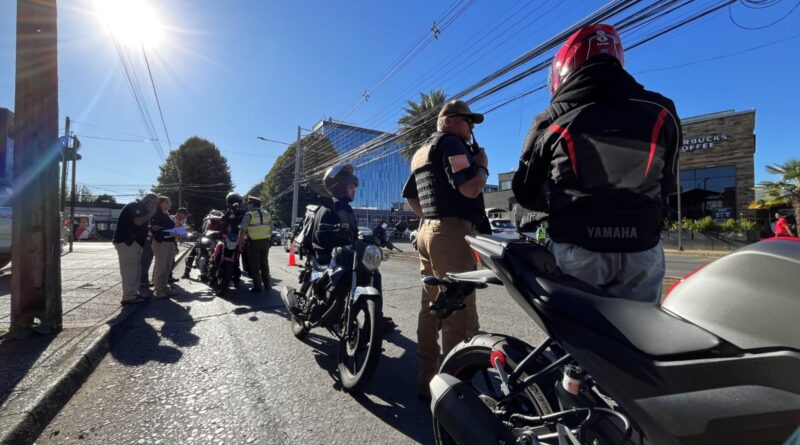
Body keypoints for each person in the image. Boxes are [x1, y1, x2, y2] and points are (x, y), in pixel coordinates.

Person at [512, 24, 681, 303]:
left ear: (563, 68)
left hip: (577, 247)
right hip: (642, 247)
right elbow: (667, 183)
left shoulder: (551, 119)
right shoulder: (663, 110)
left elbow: (526, 193)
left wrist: (555, 200)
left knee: (574, 336)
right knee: (641, 339)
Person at [402, 99, 489, 400]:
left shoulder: (423, 150)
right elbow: (469, 188)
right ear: (451, 120)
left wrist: (428, 219)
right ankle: (455, 391)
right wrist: (482, 168)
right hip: (451, 233)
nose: (471, 128)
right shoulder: (452, 142)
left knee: (432, 306)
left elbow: (411, 197)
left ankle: (428, 380)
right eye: (469, 122)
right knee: (459, 313)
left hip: (428, 232)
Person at [112, 193, 159, 305]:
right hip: (127, 242)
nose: (156, 206)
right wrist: (151, 214)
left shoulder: (141, 209)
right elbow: (138, 221)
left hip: (134, 243)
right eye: (155, 203)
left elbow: (139, 225)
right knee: (130, 270)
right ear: (149, 201)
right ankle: (129, 296)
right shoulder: (135, 206)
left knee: (136, 270)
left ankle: (133, 294)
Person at [238, 196, 272, 293]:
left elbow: (242, 231)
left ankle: (257, 287)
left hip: (253, 244)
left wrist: (240, 245)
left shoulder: (249, 215)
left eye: (249, 204)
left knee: (255, 266)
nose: (248, 206)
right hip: (265, 242)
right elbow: (271, 228)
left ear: (252, 204)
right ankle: (267, 284)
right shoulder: (267, 214)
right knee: (264, 264)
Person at [150, 196, 180, 299]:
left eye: (169, 201)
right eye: (167, 202)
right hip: (161, 243)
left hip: (170, 242)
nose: (169, 204)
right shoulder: (156, 214)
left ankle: (164, 287)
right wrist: (176, 232)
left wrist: (179, 233)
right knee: (161, 267)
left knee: (168, 267)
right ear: (160, 203)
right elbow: (155, 229)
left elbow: (167, 229)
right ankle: (159, 290)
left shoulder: (166, 215)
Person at [222, 193, 246, 283]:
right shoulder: (227, 213)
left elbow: (244, 226)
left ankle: (236, 276)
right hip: (228, 237)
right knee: (233, 256)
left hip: (236, 238)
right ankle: (235, 276)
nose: (233, 204)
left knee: (236, 257)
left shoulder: (242, 213)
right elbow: (223, 223)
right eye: (231, 201)